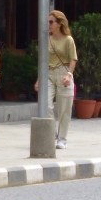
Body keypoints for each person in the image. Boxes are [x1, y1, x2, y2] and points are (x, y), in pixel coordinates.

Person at [34, 10, 78, 149]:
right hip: (48, 73)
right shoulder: (47, 39)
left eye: (51, 22)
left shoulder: (68, 40)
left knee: (64, 109)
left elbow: (73, 59)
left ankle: (62, 139)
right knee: (46, 105)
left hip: (63, 73)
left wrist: (69, 75)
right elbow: (43, 61)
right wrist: (39, 79)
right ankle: (52, 134)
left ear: (59, 24)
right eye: (47, 22)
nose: (49, 24)